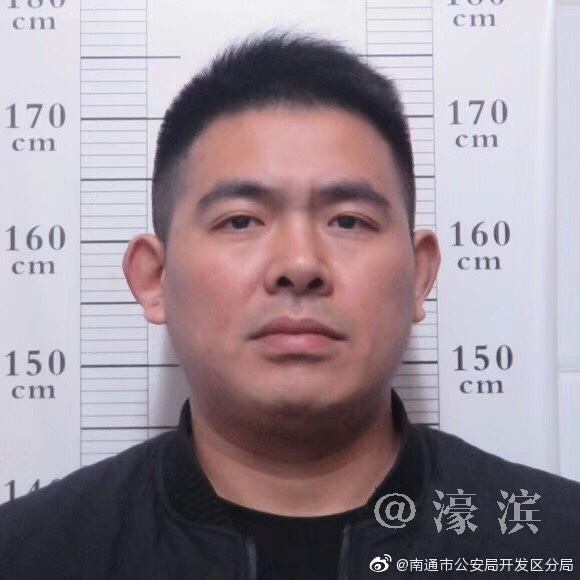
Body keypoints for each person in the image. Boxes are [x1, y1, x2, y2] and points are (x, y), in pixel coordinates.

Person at [1, 32, 579, 580]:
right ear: (155, 278)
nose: (300, 264)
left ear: (419, 276)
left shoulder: (556, 540)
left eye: (348, 221)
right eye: (241, 221)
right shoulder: (29, 553)